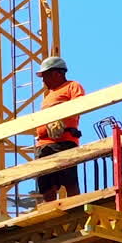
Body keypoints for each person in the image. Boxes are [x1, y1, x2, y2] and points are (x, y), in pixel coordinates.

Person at [34, 56, 85, 202]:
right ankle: (51, 212)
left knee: (70, 182)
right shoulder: (48, 96)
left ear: (57, 73)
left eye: (45, 76)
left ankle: (76, 207)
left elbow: (81, 104)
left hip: (64, 142)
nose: (43, 81)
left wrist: (62, 121)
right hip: (43, 146)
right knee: (47, 186)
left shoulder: (72, 86)